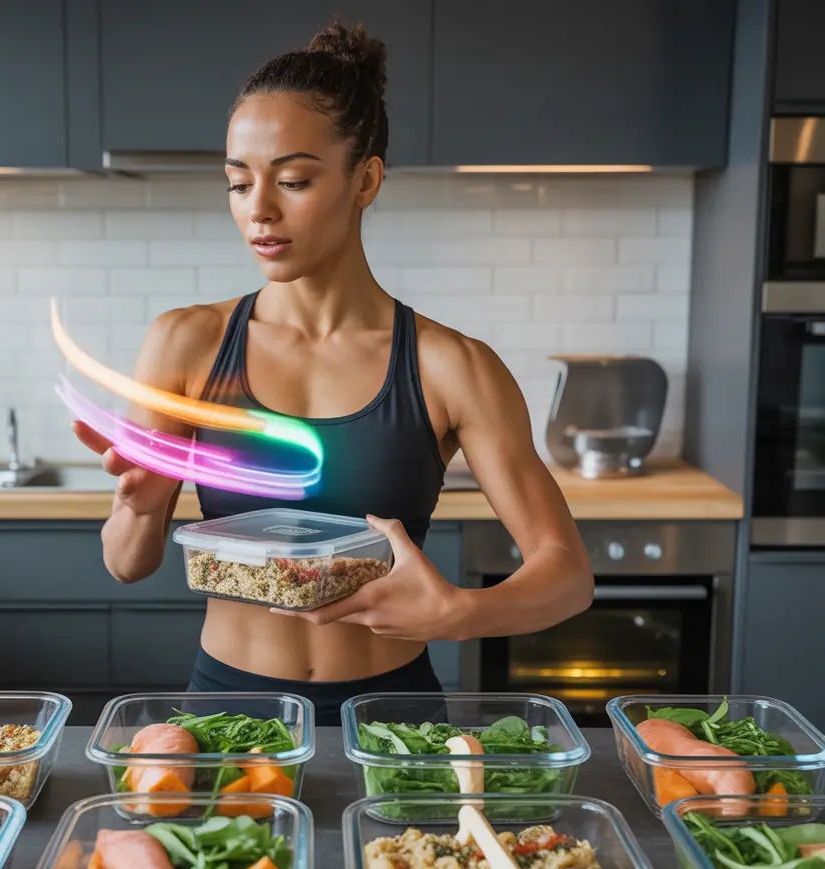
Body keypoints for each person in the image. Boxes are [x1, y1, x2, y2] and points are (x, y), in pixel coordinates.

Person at [72, 21, 594, 725]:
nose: (258, 208)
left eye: (292, 180)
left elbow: (566, 575)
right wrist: (138, 506)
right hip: (231, 712)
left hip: (391, 720)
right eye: (237, 182)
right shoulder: (186, 343)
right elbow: (126, 563)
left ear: (366, 179)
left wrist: (459, 612)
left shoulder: (451, 366)